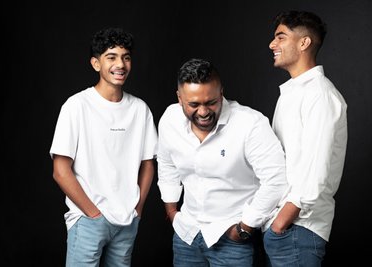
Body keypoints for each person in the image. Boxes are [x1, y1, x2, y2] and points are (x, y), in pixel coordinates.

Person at [157, 58, 288, 267]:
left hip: (232, 239)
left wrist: (245, 228)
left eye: (211, 102)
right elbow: (166, 164)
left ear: (221, 93)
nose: (203, 112)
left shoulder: (250, 124)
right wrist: (172, 211)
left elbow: (276, 180)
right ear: (179, 98)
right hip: (186, 234)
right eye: (193, 104)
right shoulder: (169, 119)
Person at [49, 27, 158, 267]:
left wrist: (137, 209)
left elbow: (148, 164)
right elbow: (60, 170)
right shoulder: (77, 106)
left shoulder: (140, 109)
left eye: (126, 57)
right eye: (112, 57)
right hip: (88, 220)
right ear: (96, 64)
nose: (121, 64)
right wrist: (93, 214)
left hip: (127, 220)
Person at [264, 10, 348, 266]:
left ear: (304, 43)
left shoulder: (319, 95)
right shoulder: (291, 93)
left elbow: (316, 170)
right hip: (282, 228)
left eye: (280, 37)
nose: (272, 44)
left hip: (298, 229)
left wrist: (282, 222)